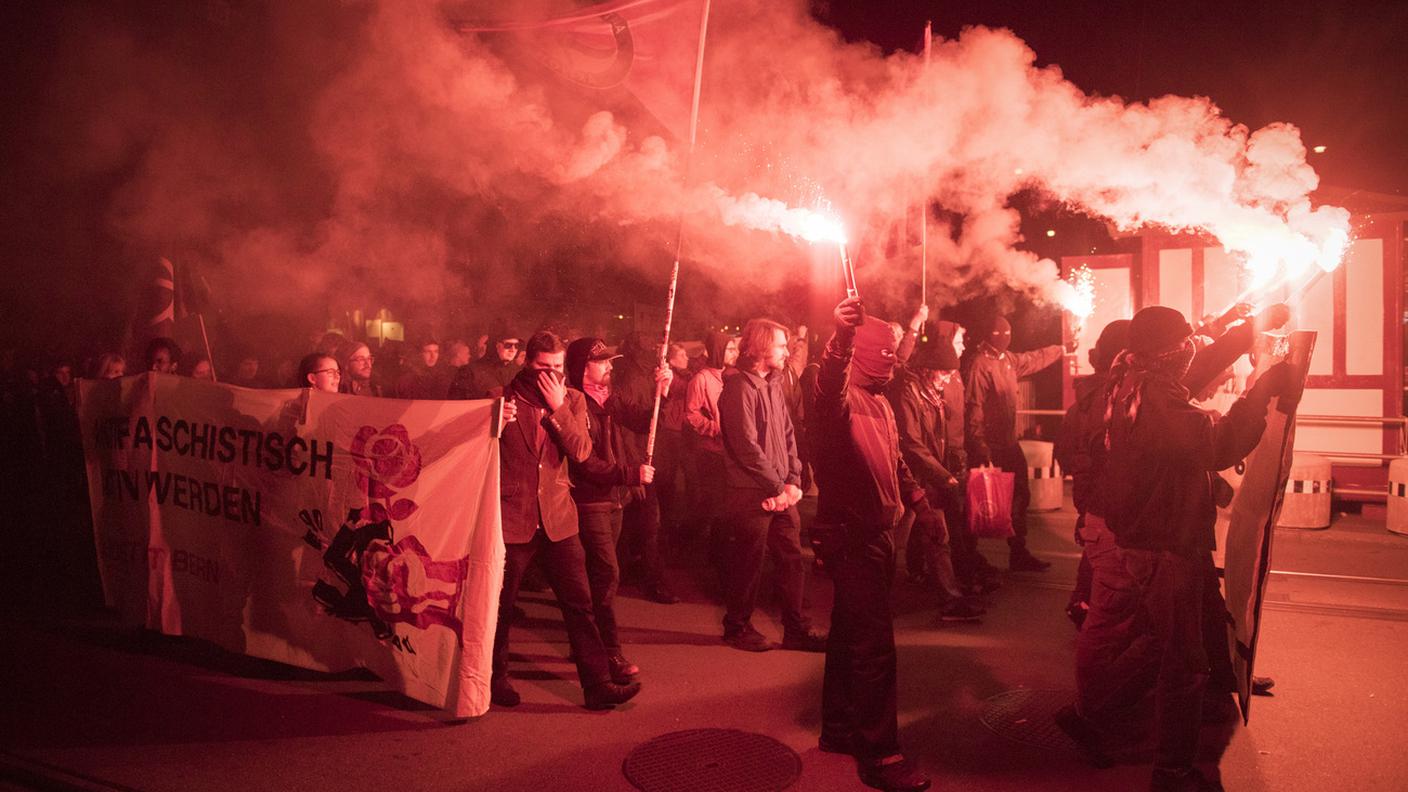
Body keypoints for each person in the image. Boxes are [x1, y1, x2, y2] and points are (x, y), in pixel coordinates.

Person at [1057, 306, 1288, 792]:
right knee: (1182, 662)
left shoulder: (1135, 379)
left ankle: (1091, 715)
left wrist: (1247, 332)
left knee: (1158, 642)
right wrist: (1258, 391)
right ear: (1166, 354)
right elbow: (1219, 443)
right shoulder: (1155, 397)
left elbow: (1200, 368)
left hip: (1152, 534)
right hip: (1165, 542)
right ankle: (1171, 773)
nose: (1191, 352)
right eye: (1184, 345)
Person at [810, 297, 945, 792]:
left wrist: (921, 504)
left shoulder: (883, 403)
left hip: (880, 535)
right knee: (874, 648)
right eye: (883, 353)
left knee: (849, 638)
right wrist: (841, 339)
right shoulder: (838, 401)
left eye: (894, 352)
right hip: (851, 537)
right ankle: (881, 754)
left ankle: (840, 729)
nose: (892, 360)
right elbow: (828, 384)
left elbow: (896, 463)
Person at [490, 331, 641, 710]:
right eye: (544, 367)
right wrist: (491, 426)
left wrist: (558, 408)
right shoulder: (502, 399)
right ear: (527, 363)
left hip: (558, 516)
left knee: (580, 603)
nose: (552, 374)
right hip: (514, 516)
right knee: (502, 607)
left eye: (558, 367)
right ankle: (494, 678)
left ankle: (598, 685)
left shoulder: (571, 399)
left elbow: (582, 452)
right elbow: (479, 453)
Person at [717, 319, 826, 653]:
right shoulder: (738, 388)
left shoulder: (774, 384)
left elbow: (789, 433)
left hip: (780, 490)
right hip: (750, 492)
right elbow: (746, 446)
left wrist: (793, 481)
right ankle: (737, 627)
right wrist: (778, 486)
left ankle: (795, 628)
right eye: (780, 345)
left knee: (792, 560)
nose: (786, 351)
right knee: (748, 563)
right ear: (761, 348)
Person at [565, 337, 650, 685]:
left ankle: (587, 640)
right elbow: (586, 463)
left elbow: (644, 420)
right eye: (602, 362)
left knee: (598, 577)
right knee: (607, 573)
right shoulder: (573, 404)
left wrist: (663, 391)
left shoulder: (610, 398)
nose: (610, 367)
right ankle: (609, 650)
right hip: (591, 501)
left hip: (615, 499)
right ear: (583, 368)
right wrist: (630, 474)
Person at [887, 338, 985, 623]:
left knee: (936, 537)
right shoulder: (908, 393)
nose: (949, 376)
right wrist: (944, 476)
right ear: (928, 369)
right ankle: (876, 600)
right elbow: (912, 445)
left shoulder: (931, 392)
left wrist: (950, 465)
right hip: (909, 480)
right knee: (894, 543)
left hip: (928, 479)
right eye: (944, 371)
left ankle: (950, 601)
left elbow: (938, 438)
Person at [964, 316, 1071, 571]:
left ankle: (1018, 551)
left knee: (1019, 496)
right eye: (1000, 333)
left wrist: (1060, 350)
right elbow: (973, 408)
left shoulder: (1007, 360)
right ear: (989, 335)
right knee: (981, 500)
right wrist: (980, 447)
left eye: (1008, 332)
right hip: (989, 446)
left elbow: (1032, 359)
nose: (1005, 336)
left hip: (1009, 444)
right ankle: (969, 556)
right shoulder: (979, 365)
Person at [1055, 319, 1132, 628]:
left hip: (1092, 499)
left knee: (1095, 555)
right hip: (1109, 500)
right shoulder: (1116, 397)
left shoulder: (1085, 398)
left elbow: (1064, 451)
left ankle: (1081, 604)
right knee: (1108, 574)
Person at [608, 332, 678, 604]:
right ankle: (651, 580)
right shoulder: (629, 378)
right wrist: (635, 471)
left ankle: (628, 573)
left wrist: (664, 392)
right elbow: (628, 427)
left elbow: (653, 418)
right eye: (652, 348)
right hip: (635, 462)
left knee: (640, 523)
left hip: (646, 460)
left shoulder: (643, 375)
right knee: (648, 523)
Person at [685, 331, 738, 569]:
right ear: (718, 351)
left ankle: (720, 553)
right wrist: (714, 428)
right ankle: (706, 556)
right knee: (714, 506)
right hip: (710, 453)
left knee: (725, 507)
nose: (735, 353)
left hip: (729, 453)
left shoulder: (730, 376)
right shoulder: (701, 379)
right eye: (729, 349)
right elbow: (691, 414)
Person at [450, 334, 522, 400]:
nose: (513, 350)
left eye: (517, 346)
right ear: (497, 346)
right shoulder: (469, 371)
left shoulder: (518, 373)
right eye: (508, 345)